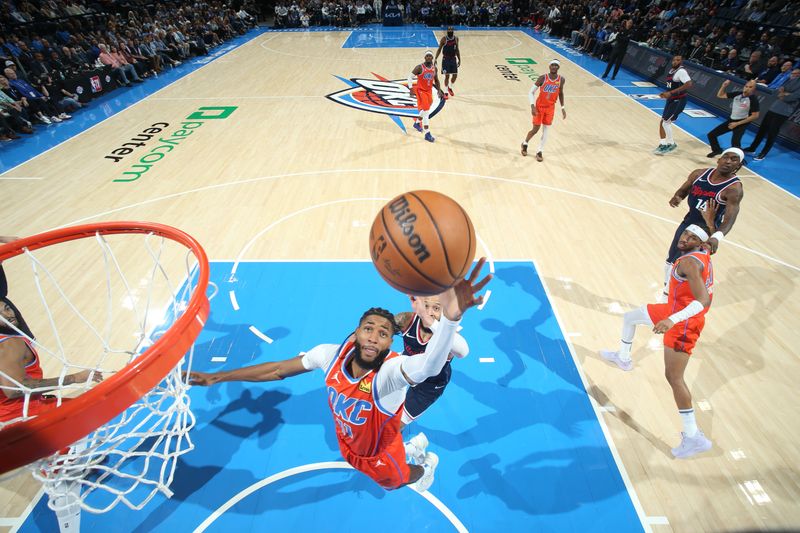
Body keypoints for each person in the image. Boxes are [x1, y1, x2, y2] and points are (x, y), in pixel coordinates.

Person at [189, 260, 491, 492]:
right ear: (356, 331)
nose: (374, 337)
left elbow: (429, 367)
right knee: (392, 426)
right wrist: (220, 377)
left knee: (394, 482)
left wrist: (449, 320)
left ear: (390, 344)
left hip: (384, 441)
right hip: (349, 441)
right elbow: (278, 369)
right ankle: (405, 446)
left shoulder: (390, 372)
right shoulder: (329, 354)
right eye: (369, 328)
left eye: (383, 333)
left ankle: (425, 468)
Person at [600, 223, 715, 459]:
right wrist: (713, 224)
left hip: (683, 321)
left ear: (699, 244)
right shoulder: (705, 251)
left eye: (692, 238)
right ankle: (623, 357)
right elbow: (714, 243)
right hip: (672, 309)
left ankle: (693, 437)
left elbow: (703, 300)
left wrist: (672, 319)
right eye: (685, 233)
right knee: (630, 317)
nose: (684, 238)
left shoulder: (689, 263)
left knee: (674, 378)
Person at [0, 261, 102, 423]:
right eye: (1, 315)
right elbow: (15, 390)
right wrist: (74, 378)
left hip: (16, 411)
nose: (9, 315)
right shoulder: (10, 344)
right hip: (22, 415)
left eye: (7, 308)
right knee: (95, 414)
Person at [660, 148, 743, 298]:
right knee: (671, 259)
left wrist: (716, 237)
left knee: (686, 264)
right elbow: (683, 190)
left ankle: (672, 298)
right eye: (726, 157)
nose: (728, 161)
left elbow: (730, 218)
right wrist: (678, 197)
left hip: (706, 230)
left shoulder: (733, 189)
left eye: (734, 159)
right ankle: (667, 290)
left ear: (739, 165)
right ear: (719, 159)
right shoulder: (699, 174)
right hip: (688, 223)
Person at [394, 295, 468, 437]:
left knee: (395, 426)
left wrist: (428, 320)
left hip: (429, 385)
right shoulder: (406, 320)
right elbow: (381, 327)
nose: (429, 312)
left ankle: (411, 447)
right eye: (425, 306)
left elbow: (463, 352)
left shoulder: (450, 336)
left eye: (436, 308)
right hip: (406, 367)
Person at [745, 67, 800, 161]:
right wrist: (785, 93)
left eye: (796, 74)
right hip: (773, 108)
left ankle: (763, 153)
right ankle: (752, 148)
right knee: (762, 129)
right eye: (792, 73)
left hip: (784, 111)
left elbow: (792, 98)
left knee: (772, 133)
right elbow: (775, 92)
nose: (793, 75)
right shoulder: (787, 80)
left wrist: (784, 94)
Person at [521, 59, 566, 162]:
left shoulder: (561, 80)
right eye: (552, 65)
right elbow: (530, 92)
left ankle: (539, 151)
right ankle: (525, 143)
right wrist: (532, 106)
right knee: (535, 129)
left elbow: (561, 93)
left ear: (558, 67)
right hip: (539, 107)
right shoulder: (543, 78)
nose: (554, 67)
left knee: (546, 130)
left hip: (550, 108)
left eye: (556, 65)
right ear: (549, 67)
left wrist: (562, 107)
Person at [706, 79, 759, 157]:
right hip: (732, 120)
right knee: (711, 135)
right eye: (746, 86)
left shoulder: (753, 100)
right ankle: (717, 150)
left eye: (750, 87)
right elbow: (720, 95)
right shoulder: (737, 94)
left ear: (754, 89)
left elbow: (755, 116)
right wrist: (723, 86)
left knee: (735, 144)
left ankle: (738, 160)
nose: (747, 88)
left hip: (742, 123)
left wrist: (737, 124)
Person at [655, 55, 693, 155]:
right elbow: (671, 87)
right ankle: (663, 143)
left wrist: (671, 93)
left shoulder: (681, 71)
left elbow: (689, 84)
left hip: (679, 100)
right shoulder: (671, 71)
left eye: (678, 60)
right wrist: (665, 93)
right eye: (674, 60)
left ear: (682, 62)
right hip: (671, 100)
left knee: (666, 122)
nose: (675, 61)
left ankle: (671, 143)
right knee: (663, 121)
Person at [408, 50, 445, 143]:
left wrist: (439, 90)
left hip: (429, 91)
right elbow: (409, 77)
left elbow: (436, 80)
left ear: (432, 58)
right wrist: (411, 88)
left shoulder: (434, 68)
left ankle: (416, 123)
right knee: (426, 111)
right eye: (427, 56)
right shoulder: (419, 67)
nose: (428, 57)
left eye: (430, 56)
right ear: (425, 57)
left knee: (426, 109)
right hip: (421, 91)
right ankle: (427, 133)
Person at [434, 27, 460, 99]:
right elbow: (439, 49)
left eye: (451, 29)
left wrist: (459, 59)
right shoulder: (444, 39)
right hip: (446, 59)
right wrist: (436, 58)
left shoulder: (456, 39)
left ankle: (450, 87)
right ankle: (445, 92)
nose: (450, 30)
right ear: (447, 31)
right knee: (447, 76)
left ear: (453, 31)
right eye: (449, 30)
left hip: (453, 59)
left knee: (455, 76)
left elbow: (457, 49)